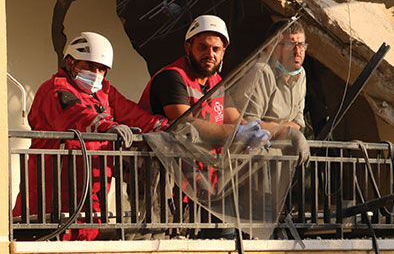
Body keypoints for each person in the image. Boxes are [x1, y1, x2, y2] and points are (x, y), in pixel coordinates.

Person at [16, 32, 168, 240]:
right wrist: (107, 127)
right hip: (50, 200)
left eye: (101, 69)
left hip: (90, 199)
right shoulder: (54, 90)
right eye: (89, 66)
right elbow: (75, 115)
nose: (96, 73)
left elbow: (135, 116)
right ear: (70, 63)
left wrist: (170, 128)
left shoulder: (104, 92)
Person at [140, 15, 268, 150]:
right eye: (202, 47)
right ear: (188, 48)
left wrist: (255, 131)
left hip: (197, 166)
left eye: (216, 49)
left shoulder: (217, 82)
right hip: (160, 165)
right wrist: (236, 133)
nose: (210, 54)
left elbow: (234, 118)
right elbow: (185, 124)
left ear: (223, 52)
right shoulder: (171, 77)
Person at [237, 22, 307, 137]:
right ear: (272, 48)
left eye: (301, 45)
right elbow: (249, 123)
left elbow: (298, 121)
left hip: (284, 148)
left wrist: (280, 129)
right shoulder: (261, 71)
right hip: (258, 148)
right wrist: (287, 131)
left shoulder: (301, 73)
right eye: (290, 45)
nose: (297, 51)